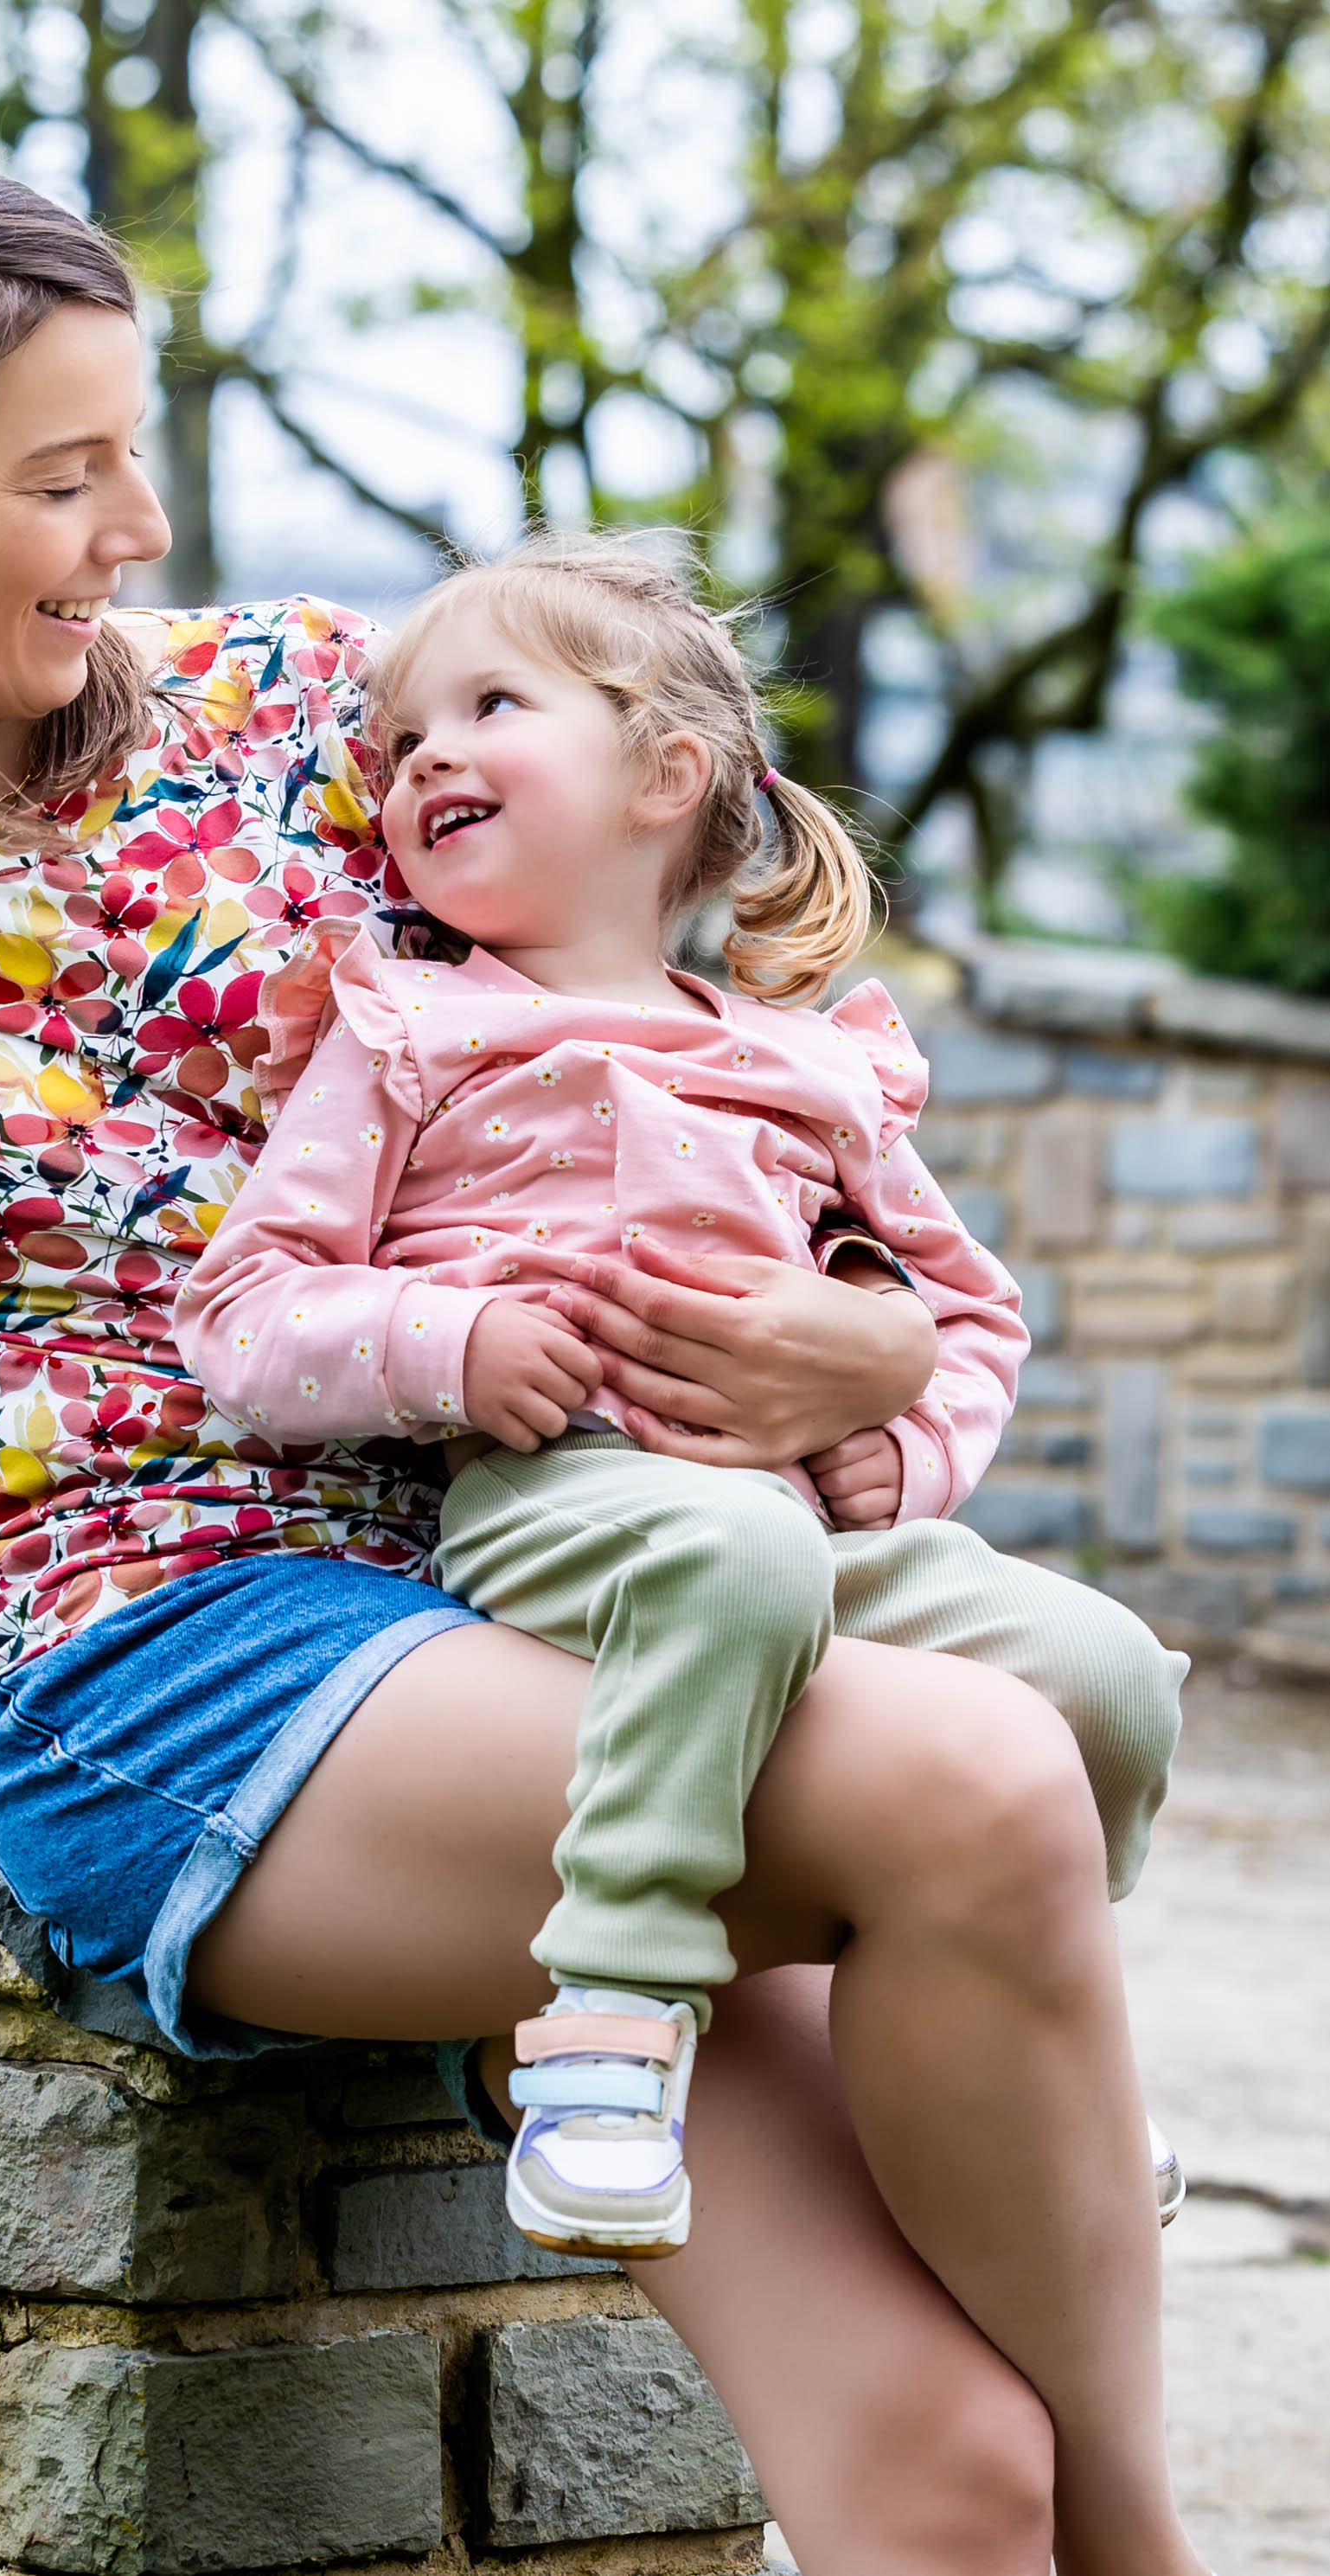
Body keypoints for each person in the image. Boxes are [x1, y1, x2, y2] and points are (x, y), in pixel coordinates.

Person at [0, 142, 1210, 2576]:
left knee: (948, 2477)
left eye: (140, 447)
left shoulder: (300, 710)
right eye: (63, 471)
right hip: (188, 1671)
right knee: (970, 1779)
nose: (136, 525)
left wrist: (851, 1332)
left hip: (557, 1579)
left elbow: (675, 1022)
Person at [172, 532, 1187, 2263]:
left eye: (491, 704)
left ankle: (1035, 2029)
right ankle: (607, 2030)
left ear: (665, 776)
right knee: (731, 1561)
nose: (425, 756)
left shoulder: (807, 1057)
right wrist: (449, 1343)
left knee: (1101, 1676)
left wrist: (890, 1452)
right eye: (404, 734)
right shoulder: (412, 1032)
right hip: (562, 1501)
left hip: (798, 1527)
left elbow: (966, 1311)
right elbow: (243, 1313)